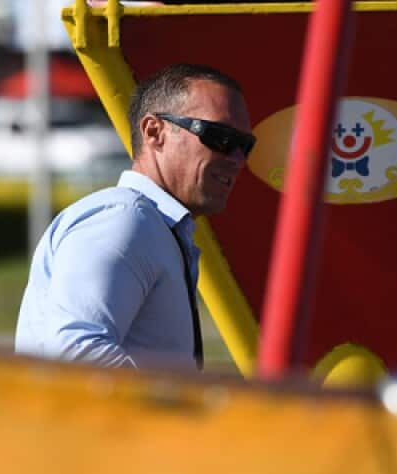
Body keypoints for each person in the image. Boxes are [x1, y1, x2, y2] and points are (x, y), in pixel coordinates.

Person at [15, 63, 254, 370]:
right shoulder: (123, 222)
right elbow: (76, 355)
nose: (236, 159)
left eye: (245, 146)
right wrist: (184, 409)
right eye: (220, 137)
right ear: (154, 132)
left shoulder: (153, 226)